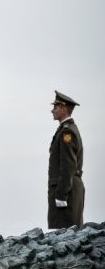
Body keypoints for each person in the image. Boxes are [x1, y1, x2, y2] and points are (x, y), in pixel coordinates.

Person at [48, 90, 84, 229]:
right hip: (68, 190)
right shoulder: (65, 129)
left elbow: (68, 165)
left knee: (65, 239)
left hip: (66, 193)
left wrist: (62, 195)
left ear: (63, 109)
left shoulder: (67, 132)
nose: (52, 111)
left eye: (55, 107)